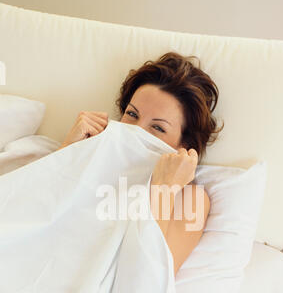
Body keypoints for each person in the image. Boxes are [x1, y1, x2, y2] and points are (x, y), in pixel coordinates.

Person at [57, 51, 224, 275]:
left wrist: (164, 189)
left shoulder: (190, 198)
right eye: (132, 114)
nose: (135, 131)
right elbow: (31, 213)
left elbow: (151, 279)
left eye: (158, 127)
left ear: (182, 145)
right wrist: (68, 153)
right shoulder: (91, 155)